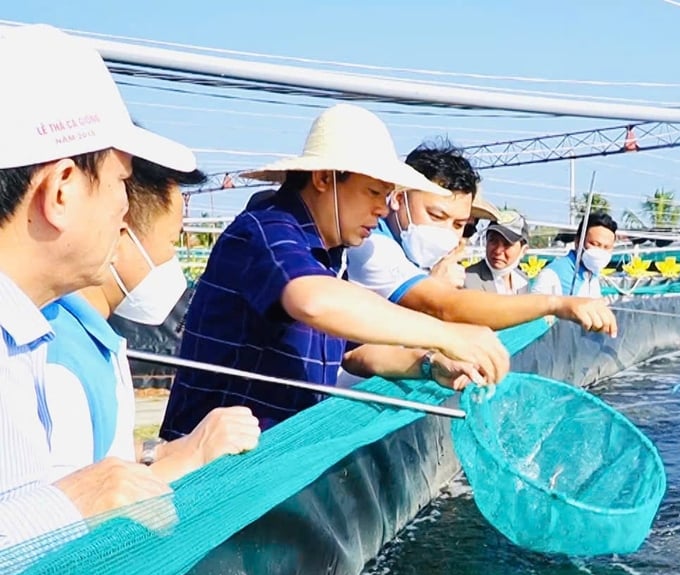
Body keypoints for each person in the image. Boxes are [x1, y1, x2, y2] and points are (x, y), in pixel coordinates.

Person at [160, 104, 510, 439]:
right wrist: (448, 336)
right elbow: (314, 301)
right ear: (324, 179)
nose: (381, 208)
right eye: (373, 192)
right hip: (218, 462)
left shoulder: (330, 254)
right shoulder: (267, 232)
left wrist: (430, 364)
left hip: (275, 451)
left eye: (387, 195)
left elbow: (355, 352)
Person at [0, 24, 196, 549]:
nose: (125, 208)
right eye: (121, 182)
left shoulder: (27, 335)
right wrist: (73, 504)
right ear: (61, 190)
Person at [43, 156, 261, 483]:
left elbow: (92, 454)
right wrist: (195, 454)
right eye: (171, 242)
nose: (173, 260)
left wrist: (158, 453)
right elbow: (73, 504)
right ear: (119, 233)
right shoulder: (56, 355)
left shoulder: (91, 338)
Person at [344, 142, 617, 338]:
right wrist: (556, 304)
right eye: (436, 215)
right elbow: (446, 306)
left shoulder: (416, 253)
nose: (448, 234)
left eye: (460, 226)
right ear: (398, 199)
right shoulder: (372, 247)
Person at [531, 212, 618, 298]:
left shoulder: (593, 275)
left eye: (607, 247)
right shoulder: (552, 274)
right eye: (594, 244)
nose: (600, 251)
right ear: (577, 242)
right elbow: (536, 305)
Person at [463, 209, 531, 295]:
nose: (498, 251)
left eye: (507, 244)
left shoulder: (523, 281)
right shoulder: (467, 280)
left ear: (523, 250)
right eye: (493, 240)